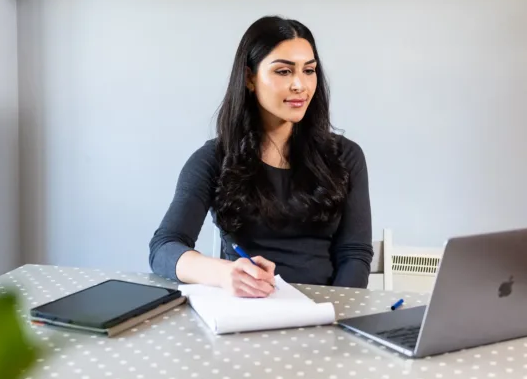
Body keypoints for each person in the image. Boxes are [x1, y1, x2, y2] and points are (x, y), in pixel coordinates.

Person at [148, 16, 373, 298]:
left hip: (325, 313)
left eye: (309, 70)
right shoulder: (212, 159)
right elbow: (164, 248)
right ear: (250, 78)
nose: (300, 85)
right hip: (249, 313)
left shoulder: (346, 156)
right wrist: (223, 273)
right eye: (283, 72)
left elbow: (354, 254)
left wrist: (331, 315)